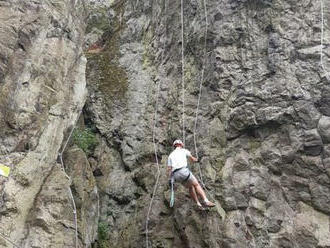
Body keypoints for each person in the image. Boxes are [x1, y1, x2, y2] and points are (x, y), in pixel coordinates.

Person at [167, 139, 215, 208]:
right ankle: (206, 201)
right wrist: (198, 160)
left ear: (174, 146)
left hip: (176, 176)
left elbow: (169, 169)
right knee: (196, 184)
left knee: (190, 186)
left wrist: (170, 180)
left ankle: (198, 204)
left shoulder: (170, 155)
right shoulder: (183, 151)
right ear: (181, 145)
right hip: (184, 172)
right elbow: (193, 159)